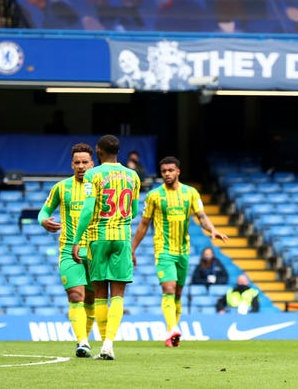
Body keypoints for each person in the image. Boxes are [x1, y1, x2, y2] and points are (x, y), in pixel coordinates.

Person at [131, 156, 228, 347]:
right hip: (163, 250)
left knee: (177, 294)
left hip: (183, 250)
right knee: (168, 288)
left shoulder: (190, 193)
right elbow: (143, 224)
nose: (167, 174)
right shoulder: (154, 196)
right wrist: (132, 249)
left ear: (178, 172)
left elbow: (201, 216)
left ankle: (172, 333)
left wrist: (213, 230)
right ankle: (173, 328)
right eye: (164, 171)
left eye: (170, 170)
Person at [71, 134, 141, 361]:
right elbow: (135, 210)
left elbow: (88, 209)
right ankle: (109, 343)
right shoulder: (133, 175)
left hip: (99, 237)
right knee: (118, 295)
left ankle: (102, 342)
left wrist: (77, 239)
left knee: (100, 293)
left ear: (99, 152)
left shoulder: (93, 174)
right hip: (122, 237)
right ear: (118, 151)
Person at [38, 143, 95, 358]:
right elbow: (44, 211)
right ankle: (82, 342)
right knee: (75, 294)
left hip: (95, 249)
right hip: (69, 248)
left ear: (92, 164)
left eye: (85, 162)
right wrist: (43, 221)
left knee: (90, 298)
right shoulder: (61, 188)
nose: (81, 166)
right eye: (77, 162)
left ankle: (86, 338)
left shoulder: (99, 187)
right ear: (72, 164)